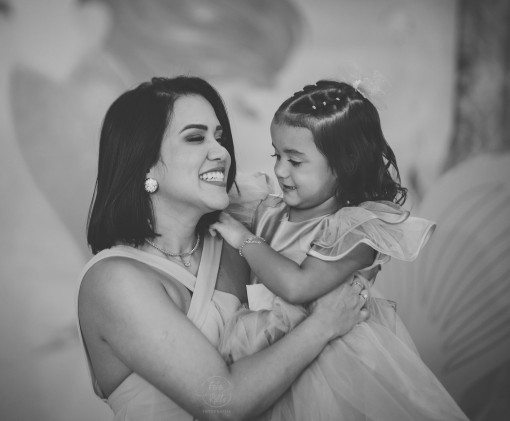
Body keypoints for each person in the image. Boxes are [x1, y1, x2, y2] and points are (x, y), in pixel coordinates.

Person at [76, 76, 370, 421]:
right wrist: (323, 326)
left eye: (219, 137)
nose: (221, 152)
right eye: (195, 138)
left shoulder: (241, 247)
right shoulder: (113, 280)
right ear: (145, 163)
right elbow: (223, 404)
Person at [210, 80, 470, 420]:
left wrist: (241, 238)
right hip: (262, 352)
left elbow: (297, 286)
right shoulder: (267, 210)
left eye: (296, 161)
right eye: (277, 155)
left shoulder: (353, 231)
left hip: (329, 366)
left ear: (345, 164)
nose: (280, 170)